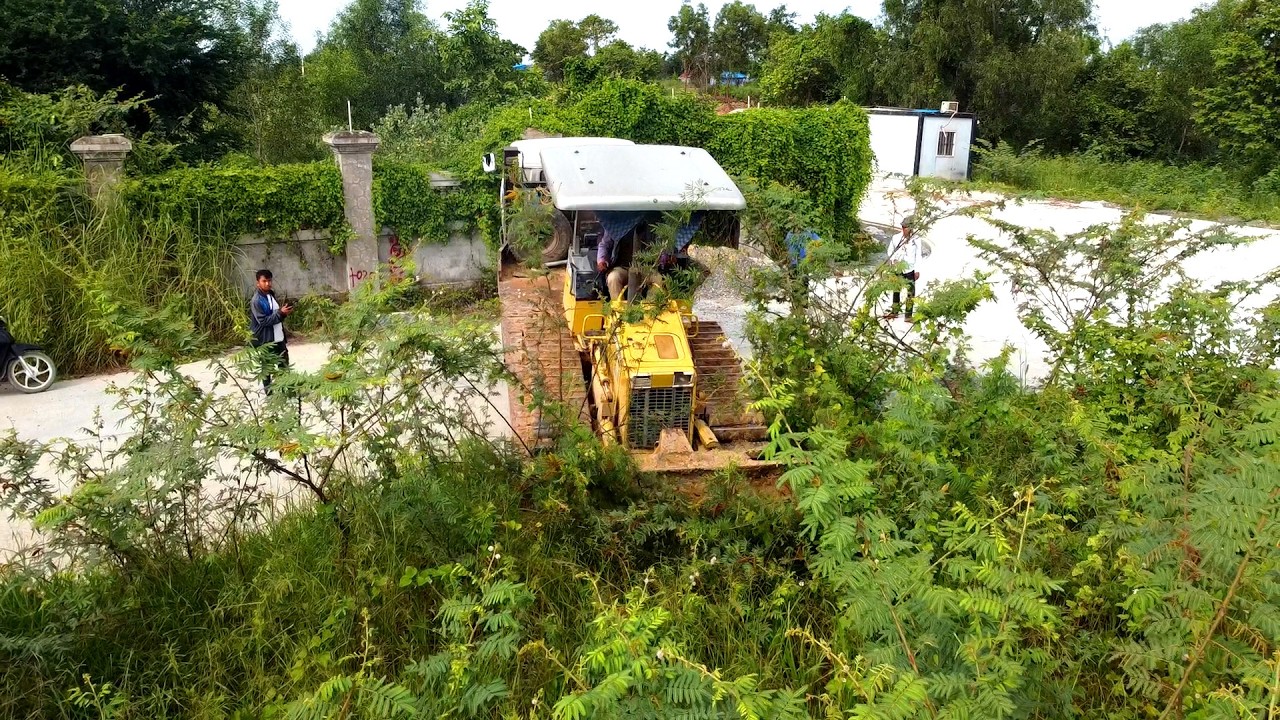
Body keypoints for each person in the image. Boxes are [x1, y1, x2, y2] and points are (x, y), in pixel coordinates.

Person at [249, 269, 293, 393]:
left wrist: (283, 313)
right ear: (258, 283)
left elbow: (275, 316)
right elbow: (263, 321)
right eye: (264, 281)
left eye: (269, 281)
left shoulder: (271, 295)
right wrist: (280, 313)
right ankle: (269, 394)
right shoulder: (256, 300)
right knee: (267, 368)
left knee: (284, 365)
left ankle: (287, 390)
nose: (267, 284)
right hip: (266, 340)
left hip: (278, 337)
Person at [887, 215, 921, 320]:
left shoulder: (916, 239)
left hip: (910, 269)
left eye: (909, 227)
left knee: (911, 292)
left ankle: (908, 315)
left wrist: (918, 270)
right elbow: (890, 251)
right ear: (902, 228)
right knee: (896, 290)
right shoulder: (896, 238)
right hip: (898, 268)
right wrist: (893, 260)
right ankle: (895, 311)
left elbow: (918, 255)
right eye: (905, 227)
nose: (907, 229)